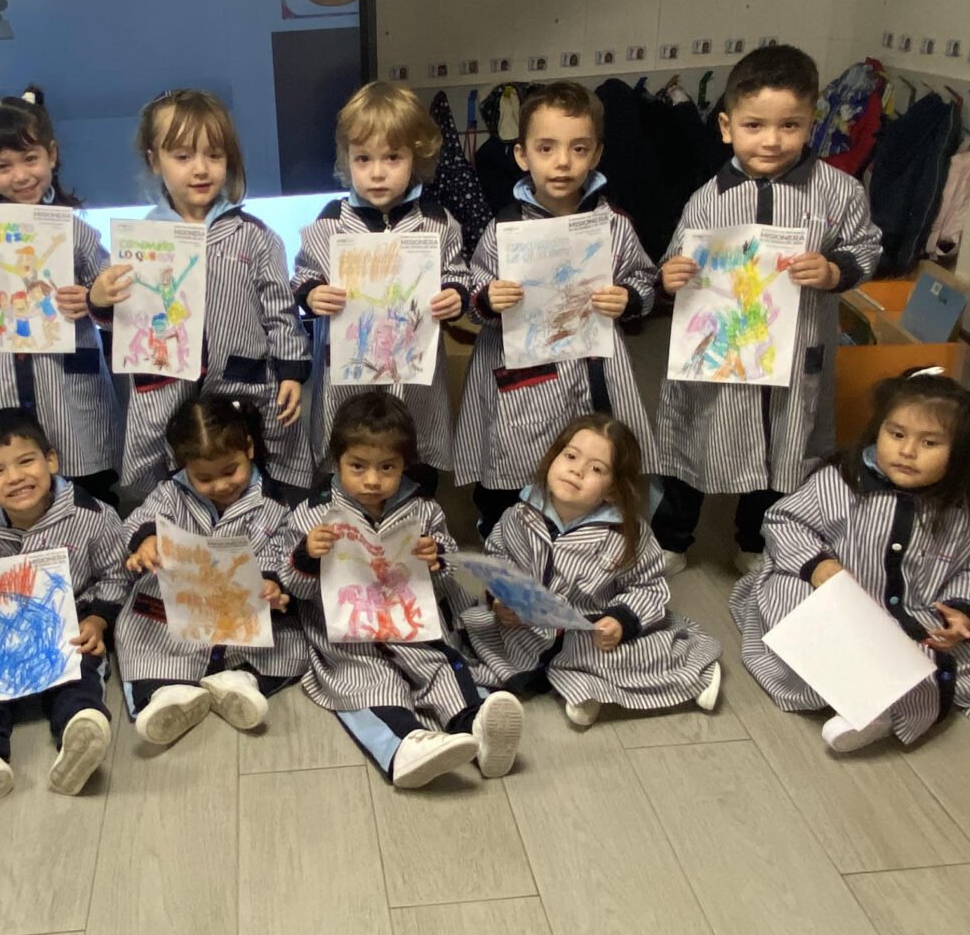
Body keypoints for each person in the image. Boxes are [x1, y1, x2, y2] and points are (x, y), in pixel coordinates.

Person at [651, 43, 883, 568]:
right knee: (697, 437)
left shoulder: (837, 192)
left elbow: (866, 247)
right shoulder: (707, 199)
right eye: (754, 126)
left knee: (783, 444)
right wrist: (670, 277)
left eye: (790, 125)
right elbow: (673, 263)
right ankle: (672, 537)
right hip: (718, 355)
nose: (772, 141)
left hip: (794, 353)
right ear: (727, 127)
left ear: (811, 123)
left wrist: (834, 270)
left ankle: (754, 540)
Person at [729, 369, 970, 752]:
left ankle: (880, 712)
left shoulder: (965, 514)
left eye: (929, 442)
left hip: (912, 614)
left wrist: (963, 614)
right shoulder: (841, 482)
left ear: (960, 453)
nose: (908, 451)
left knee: (934, 657)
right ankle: (854, 693)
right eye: (896, 435)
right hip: (834, 599)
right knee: (788, 603)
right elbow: (785, 521)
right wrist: (818, 565)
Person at [275, 394, 523, 788]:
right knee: (369, 684)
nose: (372, 480)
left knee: (444, 668)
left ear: (405, 464)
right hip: (352, 639)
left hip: (412, 626)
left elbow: (448, 572)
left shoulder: (423, 509)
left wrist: (436, 557)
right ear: (337, 461)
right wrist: (306, 556)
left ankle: (476, 726)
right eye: (358, 466)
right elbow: (293, 589)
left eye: (387, 467)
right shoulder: (313, 515)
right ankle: (403, 746)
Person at [456, 80, 656, 539]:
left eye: (578, 148)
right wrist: (488, 299)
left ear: (596, 153)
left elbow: (645, 280)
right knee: (513, 452)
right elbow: (474, 290)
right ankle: (499, 525)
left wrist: (628, 297)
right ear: (523, 155)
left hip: (592, 365)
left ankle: (587, 529)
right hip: (522, 370)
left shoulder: (613, 224)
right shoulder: (504, 228)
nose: (562, 162)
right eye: (546, 148)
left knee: (591, 452)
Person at [90, 89, 313, 500]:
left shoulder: (255, 237)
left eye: (214, 155)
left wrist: (291, 373)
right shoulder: (141, 241)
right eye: (182, 156)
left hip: (241, 389)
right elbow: (124, 319)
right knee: (171, 490)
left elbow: (281, 313)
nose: (200, 169)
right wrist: (101, 299)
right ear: (154, 160)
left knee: (249, 479)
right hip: (167, 390)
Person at [0, 408, 131, 815]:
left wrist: (98, 619)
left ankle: (79, 730)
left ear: (51, 460)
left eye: (26, 461)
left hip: (66, 625)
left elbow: (116, 576)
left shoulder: (93, 516)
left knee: (80, 667)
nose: (15, 477)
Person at [464, 413, 722, 728]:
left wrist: (620, 620)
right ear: (553, 458)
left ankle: (692, 672)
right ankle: (565, 686)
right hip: (527, 626)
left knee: (619, 657)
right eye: (571, 456)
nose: (577, 470)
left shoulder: (626, 534)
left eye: (596, 469)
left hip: (591, 630)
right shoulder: (520, 514)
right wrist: (500, 598)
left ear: (613, 489)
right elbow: (498, 557)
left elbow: (649, 586)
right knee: (475, 637)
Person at [0, 92, 123, 510]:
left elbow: (107, 286)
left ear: (51, 155)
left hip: (67, 383)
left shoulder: (75, 229)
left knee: (85, 479)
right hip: (2, 374)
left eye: (30, 159)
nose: (20, 175)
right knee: (12, 474)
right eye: (3, 166)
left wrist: (91, 297)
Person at [295, 82, 472, 482]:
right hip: (347, 381)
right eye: (363, 159)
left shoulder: (437, 223)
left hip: (413, 381)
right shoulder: (328, 223)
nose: (377, 172)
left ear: (416, 157)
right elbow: (304, 275)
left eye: (393, 157)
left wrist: (454, 295)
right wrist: (312, 294)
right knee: (348, 462)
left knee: (413, 462)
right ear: (347, 159)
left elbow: (457, 274)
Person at [116, 393, 304, 745]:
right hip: (179, 605)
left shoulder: (274, 504)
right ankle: (165, 695)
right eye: (204, 478)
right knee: (141, 639)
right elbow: (138, 520)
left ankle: (240, 681)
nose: (220, 485)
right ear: (185, 467)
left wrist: (271, 584)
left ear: (249, 449)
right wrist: (147, 542)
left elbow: (283, 552)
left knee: (289, 647)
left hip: (241, 611)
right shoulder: (170, 493)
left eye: (230, 471)